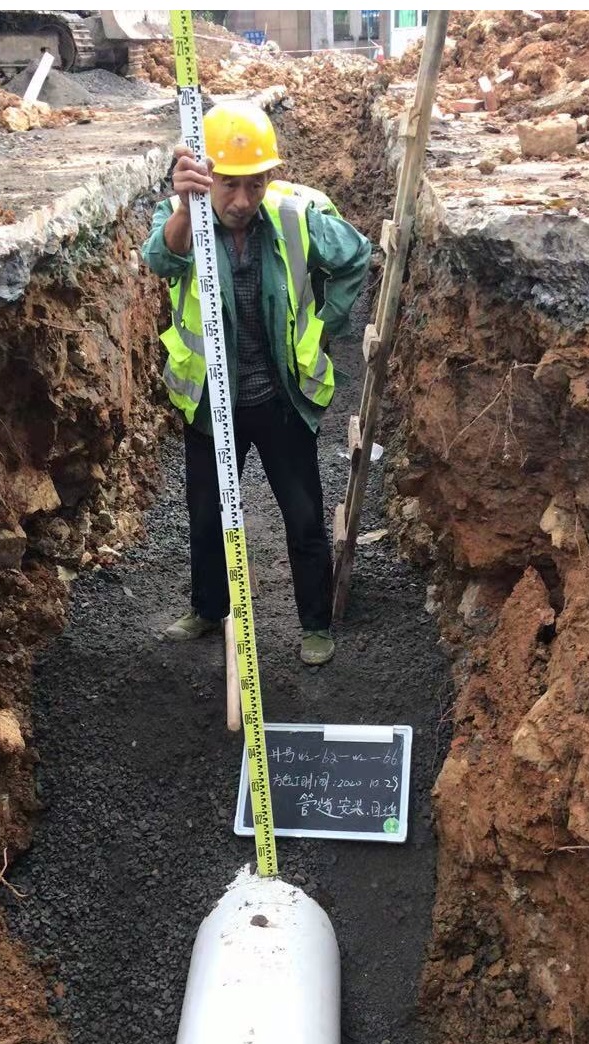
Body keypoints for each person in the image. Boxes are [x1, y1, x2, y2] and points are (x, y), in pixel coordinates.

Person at [142, 102, 371, 665]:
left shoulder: (294, 216)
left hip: (280, 400)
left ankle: (315, 625)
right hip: (208, 403)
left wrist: (326, 322)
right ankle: (207, 609)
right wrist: (185, 207)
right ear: (207, 177)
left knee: (302, 517)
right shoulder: (184, 218)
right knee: (207, 514)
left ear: (269, 177)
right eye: (227, 184)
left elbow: (355, 255)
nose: (241, 201)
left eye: (254, 184)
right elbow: (160, 261)